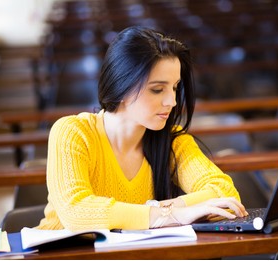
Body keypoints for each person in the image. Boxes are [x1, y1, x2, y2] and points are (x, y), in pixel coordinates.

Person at [37, 26, 248, 231]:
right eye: (157, 89)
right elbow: (76, 210)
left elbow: (224, 191)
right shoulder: (72, 132)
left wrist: (167, 210)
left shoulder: (173, 140)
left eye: (174, 88)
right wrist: (169, 216)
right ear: (121, 87)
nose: (172, 101)